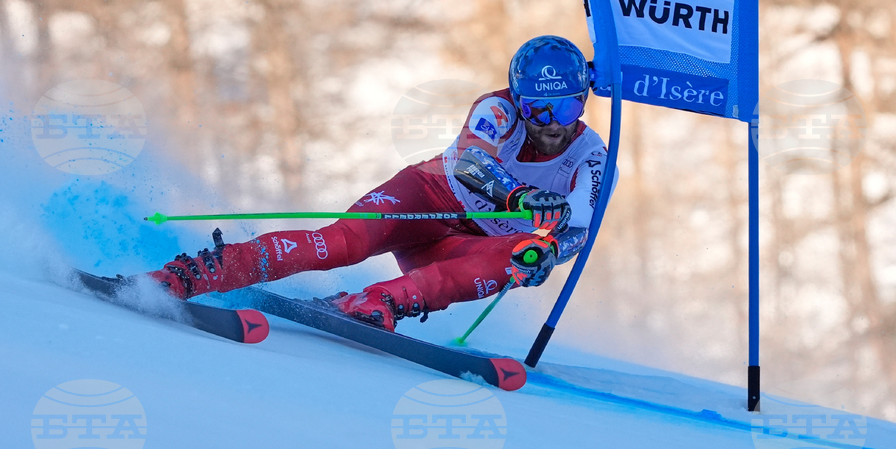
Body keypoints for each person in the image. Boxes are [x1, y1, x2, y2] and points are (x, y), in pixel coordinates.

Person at [142, 35, 610, 331]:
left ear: (583, 102)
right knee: (340, 244)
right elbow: (470, 163)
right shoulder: (498, 109)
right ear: (518, 99)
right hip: (427, 198)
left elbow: (579, 231)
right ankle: (199, 272)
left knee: (522, 255)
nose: (550, 125)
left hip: (464, 247)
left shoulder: (591, 156)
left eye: (565, 109)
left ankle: (376, 302)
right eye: (537, 109)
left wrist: (549, 253)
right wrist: (521, 196)